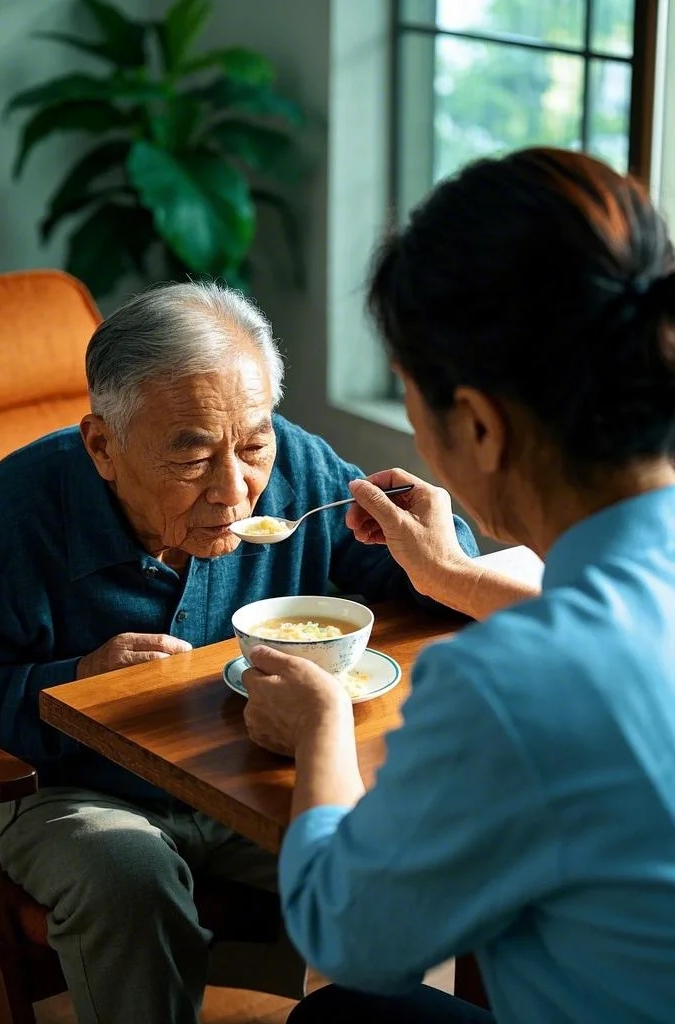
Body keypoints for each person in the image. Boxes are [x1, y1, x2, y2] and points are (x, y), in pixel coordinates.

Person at [0, 281, 505, 1024]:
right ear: (103, 445)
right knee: (127, 876)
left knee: (403, 852)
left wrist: (446, 552)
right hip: (75, 786)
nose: (236, 491)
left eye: (254, 443)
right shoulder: (16, 516)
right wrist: (73, 680)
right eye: (190, 459)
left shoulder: (297, 470)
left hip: (238, 773)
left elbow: (424, 585)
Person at [242, 147, 675, 1024]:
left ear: (478, 424)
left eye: (409, 396)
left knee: (339, 1012)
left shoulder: (510, 684)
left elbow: (345, 931)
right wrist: (455, 577)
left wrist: (323, 723)